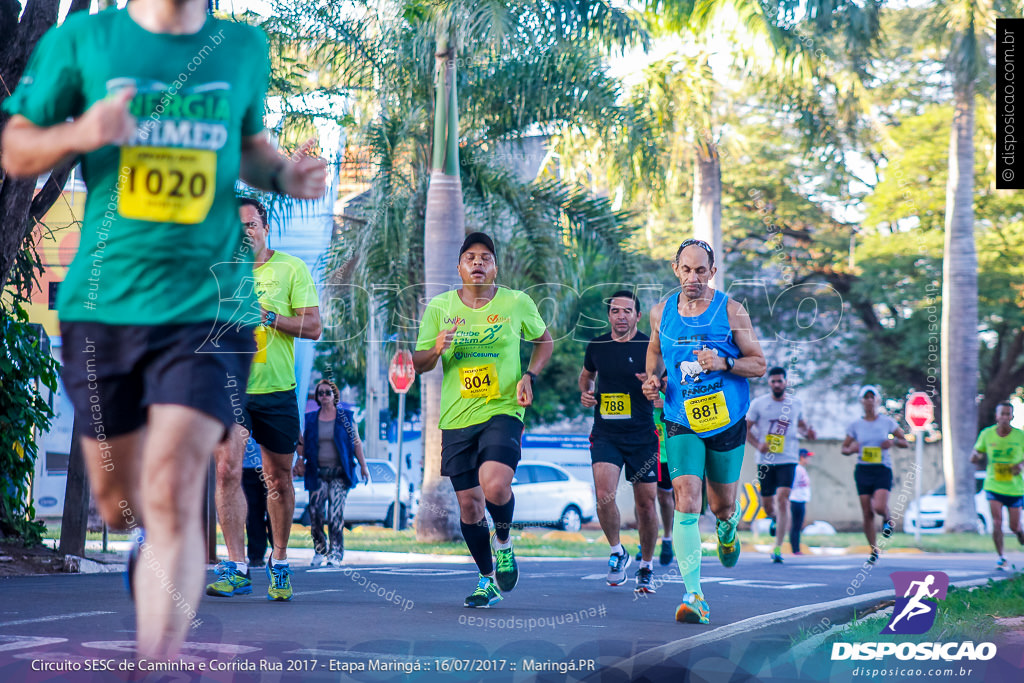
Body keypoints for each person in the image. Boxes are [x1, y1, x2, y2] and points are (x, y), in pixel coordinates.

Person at [1, 0, 326, 658]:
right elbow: (15, 144)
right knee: (121, 499)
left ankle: (155, 659)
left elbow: (247, 147)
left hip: (209, 308)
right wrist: (81, 132)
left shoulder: (241, 47)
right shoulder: (84, 41)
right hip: (107, 302)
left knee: (176, 482)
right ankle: (146, 540)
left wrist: (284, 173)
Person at [413, 232, 552, 608]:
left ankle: (503, 541)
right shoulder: (440, 307)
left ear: (495, 267)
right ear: (459, 266)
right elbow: (419, 362)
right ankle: (486, 579)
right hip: (457, 416)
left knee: (494, 485)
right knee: (470, 507)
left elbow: (545, 341)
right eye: (470, 257)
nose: (478, 263)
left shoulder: (516, 302)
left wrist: (529, 376)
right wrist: (437, 348)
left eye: (486, 257)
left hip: (504, 408)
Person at [642, 238, 766, 624]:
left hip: (726, 420)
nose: (692, 277)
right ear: (675, 269)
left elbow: (759, 363)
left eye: (701, 270)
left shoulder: (732, 310)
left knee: (721, 505)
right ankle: (694, 594)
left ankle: (728, 528)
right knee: (686, 499)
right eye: (686, 269)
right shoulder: (661, 312)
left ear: (712, 273)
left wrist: (725, 362)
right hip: (681, 418)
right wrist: (652, 380)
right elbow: (655, 353)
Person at [206, 196, 322, 602]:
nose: (244, 234)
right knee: (226, 470)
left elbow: (314, 327)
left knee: (278, 480)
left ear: (265, 227)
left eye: (250, 225)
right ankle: (237, 566)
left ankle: (281, 559)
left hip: (276, 390)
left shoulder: (291, 268)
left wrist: (270, 316)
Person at [579, 290, 660, 592]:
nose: (621, 316)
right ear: (609, 315)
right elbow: (586, 377)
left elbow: (665, 385)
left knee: (646, 504)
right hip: (606, 434)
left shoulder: (650, 347)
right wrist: (586, 393)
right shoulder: (597, 346)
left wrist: (655, 387)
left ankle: (647, 565)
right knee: (603, 495)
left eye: (627, 311)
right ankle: (617, 551)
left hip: (642, 436)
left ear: (638, 316)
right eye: (615, 311)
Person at [295, 379, 369, 567]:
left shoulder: (345, 417)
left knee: (335, 513)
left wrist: (363, 466)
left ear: (335, 395)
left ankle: (336, 552)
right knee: (315, 513)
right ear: (318, 397)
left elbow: (356, 442)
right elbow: (303, 444)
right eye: (321, 393)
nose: (325, 396)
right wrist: (299, 459)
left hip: (339, 474)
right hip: (317, 472)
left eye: (328, 392)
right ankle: (320, 551)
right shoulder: (311, 419)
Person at [746, 366, 815, 563]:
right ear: (769, 383)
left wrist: (808, 432)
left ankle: (777, 547)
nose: (777, 384)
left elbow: (801, 426)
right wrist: (758, 444)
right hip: (766, 460)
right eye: (773, 381)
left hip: (788, 458)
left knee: (783, 498)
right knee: (768, 505)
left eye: (780, 381)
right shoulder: (759, 404)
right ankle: (775, 519)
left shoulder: (796, 404)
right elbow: (746, 427)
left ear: (785, 382)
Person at [840, 385, 909, 564]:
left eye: (872, 397)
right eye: (866, 397)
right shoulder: (855, 425)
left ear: (877, 401)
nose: (869, 400)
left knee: (879, 506)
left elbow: (904, 442)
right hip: (863, 470)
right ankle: (873, 549)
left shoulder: (887, 422)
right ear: (861, 401)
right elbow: (844, 449)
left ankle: (887, 519)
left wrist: (892, 442)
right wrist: (852, 449)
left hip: (881, 469)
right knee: (867, 512)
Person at [970, 402, 1024, 570]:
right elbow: (977, 451)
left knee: (1014, 527)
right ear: (997, 416)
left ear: (1012, 417)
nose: (1005, 417)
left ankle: (1020, 534)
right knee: (997, 522)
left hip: (1015, 488)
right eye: (1002, 414)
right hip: (993, 485)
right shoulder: (986, 434)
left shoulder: (1020, 436)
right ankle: (1001, 557)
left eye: (1008, 414)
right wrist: (975, 456)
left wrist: (1020, 465)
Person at [241, 437, 273, 568]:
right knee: (253, 514)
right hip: (247, 468)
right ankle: (256, 556)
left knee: (274, 513)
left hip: (272, 467)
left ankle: (278, 553)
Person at [789, 449, 813, 555]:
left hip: (800, 500)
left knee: (798, 525)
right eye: (807, 457)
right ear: (802, 457)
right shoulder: (797, 469)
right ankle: (795, 549)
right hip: (796, 500)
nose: (809, 459)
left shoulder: (801, 469)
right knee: (796, 525)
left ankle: (796, 548)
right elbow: (792, 485)